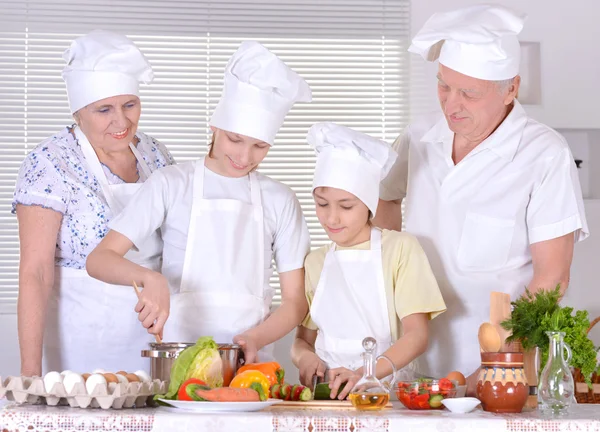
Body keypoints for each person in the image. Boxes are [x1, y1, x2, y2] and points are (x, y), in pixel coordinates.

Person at [375, 5, 588, 392]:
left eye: (468, 93)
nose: (450, 105)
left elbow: (552, 276)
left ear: (510, 89)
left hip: (503, 372)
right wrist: (385, 270)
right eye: (444, 85)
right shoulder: (419, 136)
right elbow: (386, 200)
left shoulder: (544, 154)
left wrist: (496, 365)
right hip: (414, 357)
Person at [86, 41, 312, 363]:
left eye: (259, 146)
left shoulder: (281, 200)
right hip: (179, 358)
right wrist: (151, 279)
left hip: (251, 361)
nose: (244, 157)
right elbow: (99, 260)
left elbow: (295, 302)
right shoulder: (172, 183)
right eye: (235, 139)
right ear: (215, 124)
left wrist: (250, 341)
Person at [13, 30, 175, 375]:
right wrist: (30, 372)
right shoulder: (49, 163)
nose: (121, 121)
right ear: (78, 113)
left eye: (130, 105)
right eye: (104, 109)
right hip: (82, 338)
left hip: (152, 334)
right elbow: (36, 272)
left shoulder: (155, 153)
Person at [291, 123, 446, 399]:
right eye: (322, 204)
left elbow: (417, 336)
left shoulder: (400, 249)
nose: (332, 218)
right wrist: (304, 358)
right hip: (328, 399)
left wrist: (367, 371)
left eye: (346, 206)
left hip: (385, 396)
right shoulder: (316, 262)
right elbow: (303, 340)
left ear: (369, 204)